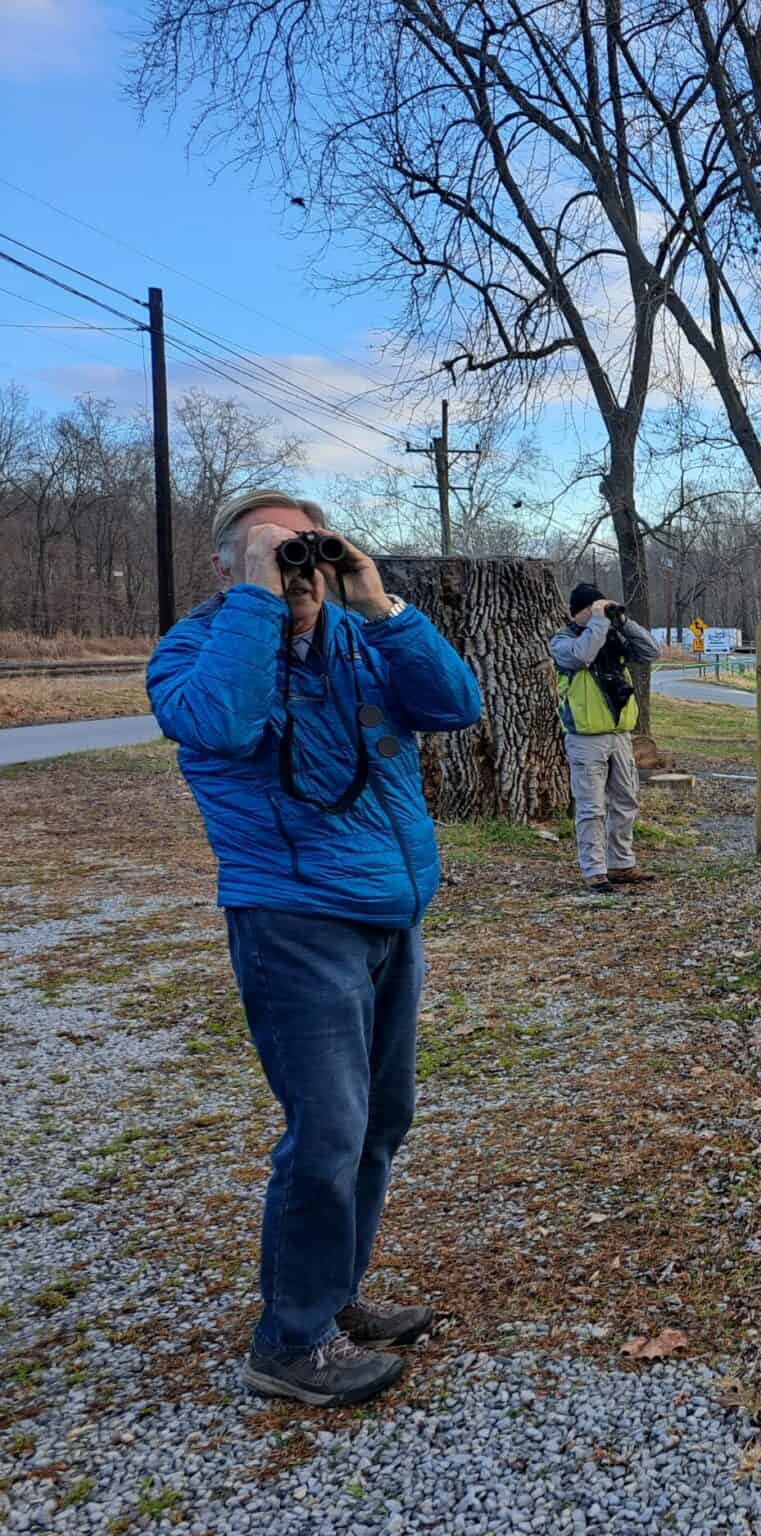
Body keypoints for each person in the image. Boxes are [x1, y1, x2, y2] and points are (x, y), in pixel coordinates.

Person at [147, 488, 482, 1408]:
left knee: (381, 1119)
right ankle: (289, 1343)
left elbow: (456, 705)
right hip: (293, 919)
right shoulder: (194, 650)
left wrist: (377, 601)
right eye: (276, 551)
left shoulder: (359, 636)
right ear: (228, 566)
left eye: (310, 550)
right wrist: (262, 605)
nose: (301, 567)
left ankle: (331, 1298)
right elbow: (224, 725)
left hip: (388, 911)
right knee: (328, 1130)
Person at [550, 582, 661, 894]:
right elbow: (582, 656)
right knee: (591, 807)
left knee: (626, 801)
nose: (602, 611)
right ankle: (595, 870)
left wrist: (624, 622)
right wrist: (599, 621)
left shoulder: (612, 635)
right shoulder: (563, 641)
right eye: (594, 607)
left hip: (619, 735)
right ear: (581, 611)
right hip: (586, 738)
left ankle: (622, 863)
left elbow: (651, 651)